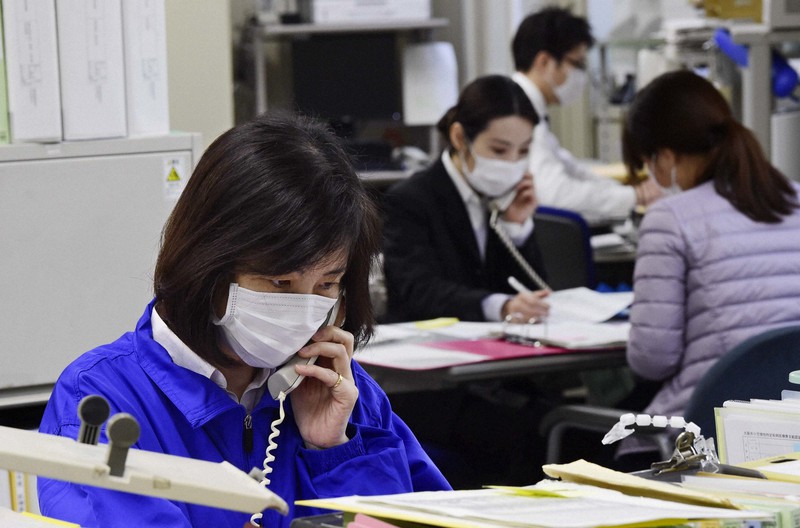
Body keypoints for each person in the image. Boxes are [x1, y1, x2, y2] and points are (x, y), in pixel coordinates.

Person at [37, 113, 450, 528]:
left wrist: (333, 449)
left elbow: (432, 517)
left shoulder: (345, 393)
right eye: (279, 281)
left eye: (327, 284)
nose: (303, 309)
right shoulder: (101, 398)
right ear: (206, 265)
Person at [623, 70, 800, 446]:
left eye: (648, 162)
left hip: (707, 437)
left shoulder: (670, 218)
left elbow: (653, 359)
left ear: (666, 156)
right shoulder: (796, 200)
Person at [383, 74, 549, 324]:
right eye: (499, 150)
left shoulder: (506, 199)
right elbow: (420, 291)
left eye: (523, 150)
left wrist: (516, 227)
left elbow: (534, 292)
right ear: (460, 138)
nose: (512, 163)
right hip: (430, 347)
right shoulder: (410, 199)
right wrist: (500, 307)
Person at [511, 6, 662, 223]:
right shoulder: (516, 110)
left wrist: (628, 191)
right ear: (544, 62)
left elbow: (569, 168)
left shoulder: (529, 107)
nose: (581, 76)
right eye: (577, 64)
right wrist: (636, 195)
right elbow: (555, 194)